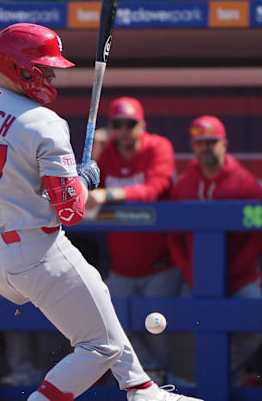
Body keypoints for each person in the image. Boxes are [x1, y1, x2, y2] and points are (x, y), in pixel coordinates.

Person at [0, 23, 201, 401]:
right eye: (46, 67)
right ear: (22, 68)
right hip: (38, 250)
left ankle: (142, 389)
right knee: (99, 345)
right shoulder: (45, 122)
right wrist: (83, 180)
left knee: (98, 305)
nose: (53, 74)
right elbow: (72, 211)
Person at [167, 115, 262, 386]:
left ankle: (219, 375)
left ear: (224, 144)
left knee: (253, 332)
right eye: (200, 143)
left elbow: (261, 234)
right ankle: (205, 381)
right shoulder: (185, 184)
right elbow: (172, 234)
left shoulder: (244, 181)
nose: (206, 148)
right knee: (188, 335)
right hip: (197, 279)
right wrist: (188, 270)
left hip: (241, 277)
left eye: (212, 142)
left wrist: (234, 271)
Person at [85, 97, 180, 383]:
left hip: (159, 264)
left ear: (142, 125)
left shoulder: (158, 146)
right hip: (122, 266)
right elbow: (84, 187)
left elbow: (154, 189)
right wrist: (98, 149)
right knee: (107, 325)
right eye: (118, 125)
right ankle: (149, 378)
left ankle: (168, 382)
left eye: (130, 124)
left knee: (160, 330)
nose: (124, 130)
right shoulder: (108, 154)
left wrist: (110, 195)